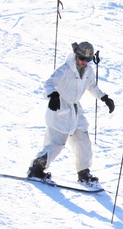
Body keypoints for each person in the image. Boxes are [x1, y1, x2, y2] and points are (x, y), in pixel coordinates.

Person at [28, 41, 115, 185]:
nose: (84, 63)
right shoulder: (65, 69)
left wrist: (104, 97)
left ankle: (84, 173)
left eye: (87, 60)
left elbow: (91, 86)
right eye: (82, 59)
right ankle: (36, 169)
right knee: (56, 143)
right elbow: (48, 83)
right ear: (76, 55)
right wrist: (53, 95)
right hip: (60, 109)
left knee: (83, 141)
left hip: (75, 110)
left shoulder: (88, 71)